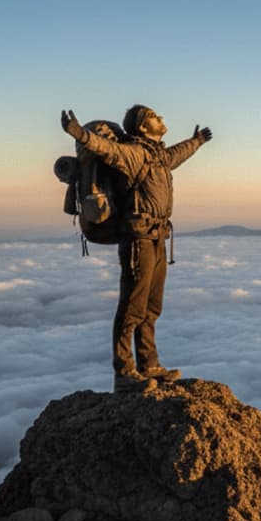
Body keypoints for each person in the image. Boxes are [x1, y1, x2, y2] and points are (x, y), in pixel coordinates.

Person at [60, 105, 213, 393]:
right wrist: (79, 134)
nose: (162, 119)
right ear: (143, 127)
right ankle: (125, 372)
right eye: (156, 117)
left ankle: (149, 365)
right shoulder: (134, 154)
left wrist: (197, 142)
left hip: (157, 238)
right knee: (132, 307)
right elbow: (106, 149)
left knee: (151, 308)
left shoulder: (158, 155)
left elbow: (177, 154)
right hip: (138, 240)